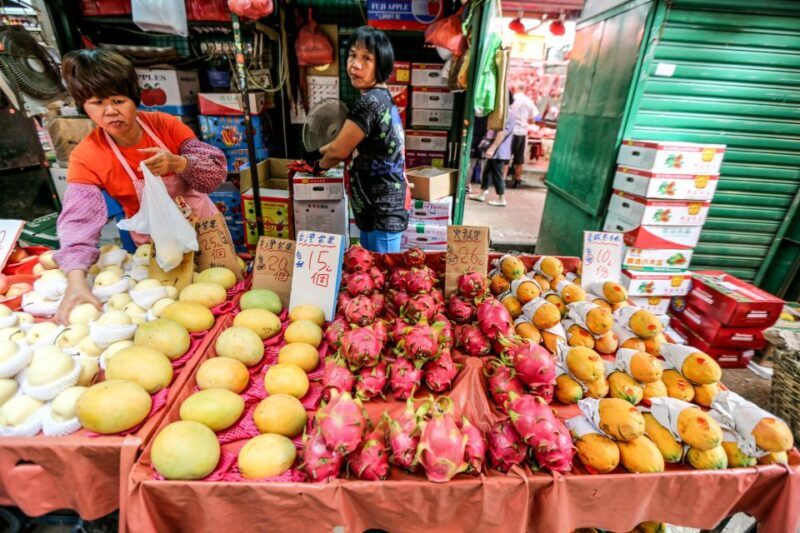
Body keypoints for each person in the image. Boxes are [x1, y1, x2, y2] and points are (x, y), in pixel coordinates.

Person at [53, 49, 227, 324]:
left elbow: (214, 172)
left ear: (135, 99)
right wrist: (75, 278)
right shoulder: (87, 156)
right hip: (155, 246)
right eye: (97, 103)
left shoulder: (166, 125)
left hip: (203, 228)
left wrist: (180, 163)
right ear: (83, 106)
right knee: (175, 309)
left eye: (118, 100)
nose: (110, 112)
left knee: (220, 296)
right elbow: (78, 219)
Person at [306, 26, 409, 253]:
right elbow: (345, 142)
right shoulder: (381, 97)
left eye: (366, 58)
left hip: (382, 211)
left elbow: (338, 151)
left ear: (381, 64)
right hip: (377, 209)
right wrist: (313, 155)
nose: (355, 65)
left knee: (381, 277)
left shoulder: (369, 103)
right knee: (371, 274)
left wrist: (315, 169)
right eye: (352, 55)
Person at [468, 96, 515, 207]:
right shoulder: (506, 112)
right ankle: (482, 192)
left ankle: (501, 197)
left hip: (499, 151)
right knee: (487, 172)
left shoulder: (505, 113)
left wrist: (492, 148)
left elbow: (501, 133)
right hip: (498, 150)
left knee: (497, 175)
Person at [508, 81, 539, 188]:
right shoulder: (528, 101)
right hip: (522, 133)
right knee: (519, 159)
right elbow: (533, 117)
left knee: (506, 157)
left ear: (515, 88)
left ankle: (502, 179)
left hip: (510, 132)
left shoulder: (512, 99)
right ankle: (517, 179)